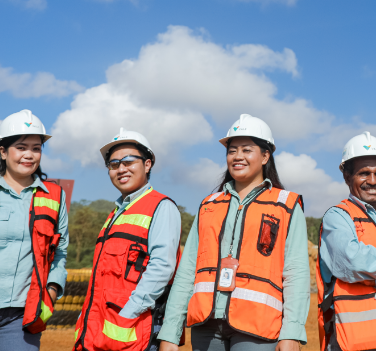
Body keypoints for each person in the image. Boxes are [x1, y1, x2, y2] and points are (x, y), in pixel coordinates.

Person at [158, 114, 310, 351]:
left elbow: (296, 272)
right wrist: (170, 331)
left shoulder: (286, 205)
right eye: (232, 150)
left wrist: (292, 331)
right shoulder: (209, 204)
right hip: (206, 325)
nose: (237, 156)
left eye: (247, 150)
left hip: (258, 326)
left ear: (265, 156)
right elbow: (188, 270)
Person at [0, 109, 69, 351]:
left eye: (36, 148)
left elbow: (59, 253)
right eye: (21, 147)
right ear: (2, 150)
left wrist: (52, 290)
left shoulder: (55, 197)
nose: (29, 155)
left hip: (23, 314)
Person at [73, 128, 182, 351]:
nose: (121, 169)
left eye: (129, 161)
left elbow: (162, 268)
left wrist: (127, 313)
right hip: (98, 331)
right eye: (113, 165)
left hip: (135, 332)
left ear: (148, 164)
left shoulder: (162, 207)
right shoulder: (115, 214)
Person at [317, 131, 376, 351]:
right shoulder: (338, 216)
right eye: (364, 173)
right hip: (351, 338)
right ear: (347, 177)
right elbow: (351, 261)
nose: (372, 181)